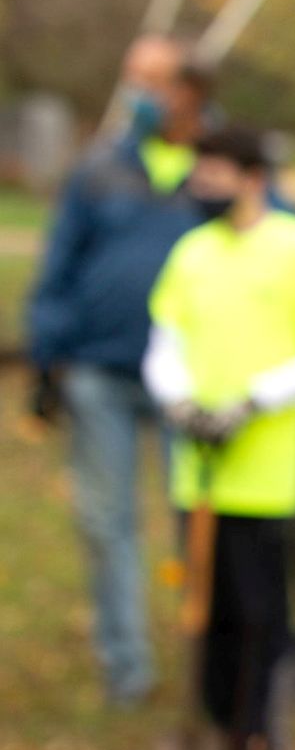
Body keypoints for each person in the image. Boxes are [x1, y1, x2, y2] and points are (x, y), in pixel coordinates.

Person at [143, 126, 295, 750]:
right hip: (198, 473)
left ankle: (261, 747)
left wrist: (254, 401)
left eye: (215, 174)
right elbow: (163, 343)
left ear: (251, 178)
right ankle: (215, 743)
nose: (202, 187)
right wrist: (179, 399)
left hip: (267, 474)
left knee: (264, 615)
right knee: (209, 615)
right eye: (197, 174)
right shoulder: (192, 252)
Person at [25, 36, 215, 704]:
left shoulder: (220, 168)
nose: (139, 94)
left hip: (193, 380)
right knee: (107, 523)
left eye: (154, 81)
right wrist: (46, 358)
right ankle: (125, 668)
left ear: (189, 91)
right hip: (100, 372)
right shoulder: (99, 167)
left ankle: (212, 657)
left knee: (197, 518)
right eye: (132, 78)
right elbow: (59, 267)